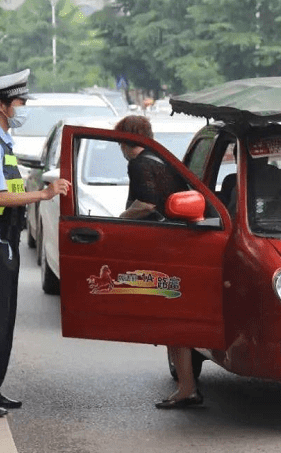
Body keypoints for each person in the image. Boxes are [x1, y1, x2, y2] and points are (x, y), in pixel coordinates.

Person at [0, 69, 70, 418]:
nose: (23, 107)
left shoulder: (2, 142)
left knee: (4, 319)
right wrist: (43, 194)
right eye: (19, 102)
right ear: (1, 105)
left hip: (5, 240)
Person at [112, 116, 202, 408]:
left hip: (165, 246)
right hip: (179, 243)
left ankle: (187, 388)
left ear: (127, 139)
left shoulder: (139, 163)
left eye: (119, 139)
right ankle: (186, 386)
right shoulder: (160, 158)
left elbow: (147, 203)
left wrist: (118, 222)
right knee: (174, 318)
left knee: (172, 319)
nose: (118, 145)